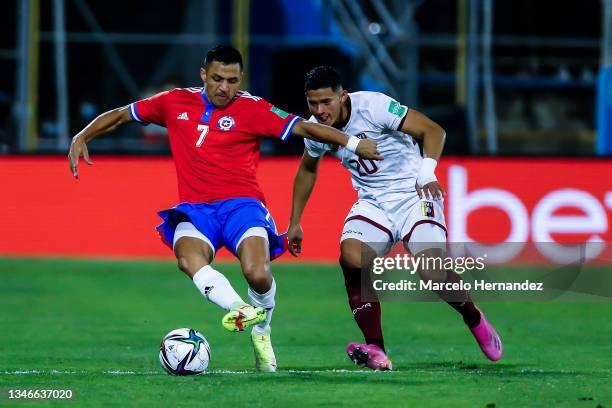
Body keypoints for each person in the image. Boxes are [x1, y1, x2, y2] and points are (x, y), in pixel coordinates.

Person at [67, 47, 382, 372]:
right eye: (217, 78)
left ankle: (262, 331)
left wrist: (354, 143)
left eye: (231, 80)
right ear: (204, 74)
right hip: (197, 209)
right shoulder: (174, 102)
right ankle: (240, 308)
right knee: (188, 259)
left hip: (242, 207)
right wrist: (82, 135)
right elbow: (122, 114)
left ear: (240, 79)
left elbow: (305, 127)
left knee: (257, 274)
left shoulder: (253, 108)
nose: (223, 87)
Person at [287, 66, 502, 371]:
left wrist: (427, 172)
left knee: (431, 271)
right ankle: (377, 349)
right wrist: (295, 221)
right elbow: (308, 169)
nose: (320, 111)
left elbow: (433, 130)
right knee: (351, 257)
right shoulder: (317, 129)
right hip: (373, 202)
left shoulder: (373, 106)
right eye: (313, 104)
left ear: (343, 96)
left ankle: (472, 315)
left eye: (326, 102)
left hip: (414, 193)